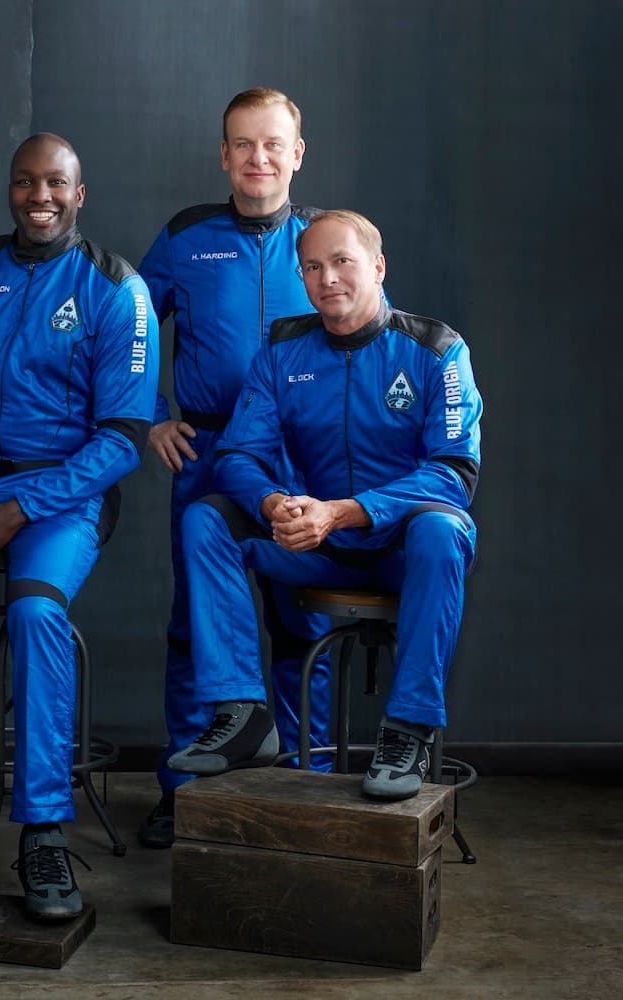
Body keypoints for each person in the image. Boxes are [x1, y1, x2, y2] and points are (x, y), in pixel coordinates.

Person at [0, 134, 158, 920]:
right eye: (25, 182)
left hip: (64, 495)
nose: (39, 195)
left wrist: (14, 513)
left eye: (56, 183)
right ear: (9, 189)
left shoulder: (117, 288)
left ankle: (44, 831)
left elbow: (122, 439)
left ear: (80, 194)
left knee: (33, 612)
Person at [171, 210, 482, 801]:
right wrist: (272, 504)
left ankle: (409, 728)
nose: (327, 278)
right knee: (206, 516)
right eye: (312, 266)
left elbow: (454, 474)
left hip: (400, 550)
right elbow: (237, 454)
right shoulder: (283, 351)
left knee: (443, 530)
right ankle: (242, 714)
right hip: (318, 548)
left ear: (378, 266)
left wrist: (342, 511)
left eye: (342, 262)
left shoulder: (436, 350)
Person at [134, 88, 333, 848]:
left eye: (272, 144)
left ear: (296, 153)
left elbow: (363, 340)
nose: (258, 159)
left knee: (301, 621)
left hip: (300, 462)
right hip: (210, 454)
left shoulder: (322, 237)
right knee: (197, 627)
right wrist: (151, 413)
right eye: (243, 145)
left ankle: (301, 785)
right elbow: (129, 329)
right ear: (224, 155)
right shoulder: (188, 237)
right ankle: (184, 787)